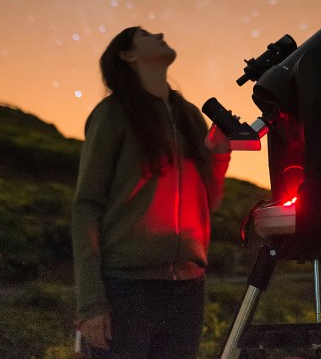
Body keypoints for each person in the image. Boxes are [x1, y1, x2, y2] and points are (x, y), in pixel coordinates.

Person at [71, 26, 231, 359]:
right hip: (126, 288)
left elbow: (208, 202)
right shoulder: (112, 114)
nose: (159, 32)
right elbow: (86, 206)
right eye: (145, 34)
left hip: (187, 289)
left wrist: (219, 157)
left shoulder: (190, 116)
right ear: (128, 56)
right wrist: (91, 303)